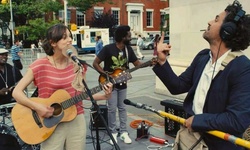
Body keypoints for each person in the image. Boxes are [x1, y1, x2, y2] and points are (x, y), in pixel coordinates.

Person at [153, 1, 250, 149]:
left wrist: (199, 121)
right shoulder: (203, 57)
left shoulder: (242, 67)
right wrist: (162, 62)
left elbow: (237, 120)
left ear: (227, 30)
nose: (209, 21)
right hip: (191, 140)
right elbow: (177, 86)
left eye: (216, 19)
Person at [12, 23, 113, 150]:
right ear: (53, 42)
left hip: (76, 119)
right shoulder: (39, 65)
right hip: (48, 122)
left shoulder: (77, 65)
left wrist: (105, 95)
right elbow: (16, 92)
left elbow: (83, 94)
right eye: (65, 37)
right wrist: (37, 107)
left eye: (70, 36)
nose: (70, 40)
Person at [93, 25, 144, 145]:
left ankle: (123, 132)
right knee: (111, 109)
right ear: (122, 37)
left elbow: (137, 64)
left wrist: (150, 63)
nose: (131, 37)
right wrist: (105, 74)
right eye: (129, 35)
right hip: (109, 84)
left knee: (122, 108)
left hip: (122, 84)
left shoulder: (128, 50)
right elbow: (95, 63)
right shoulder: (108, 48)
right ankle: (113, 133)